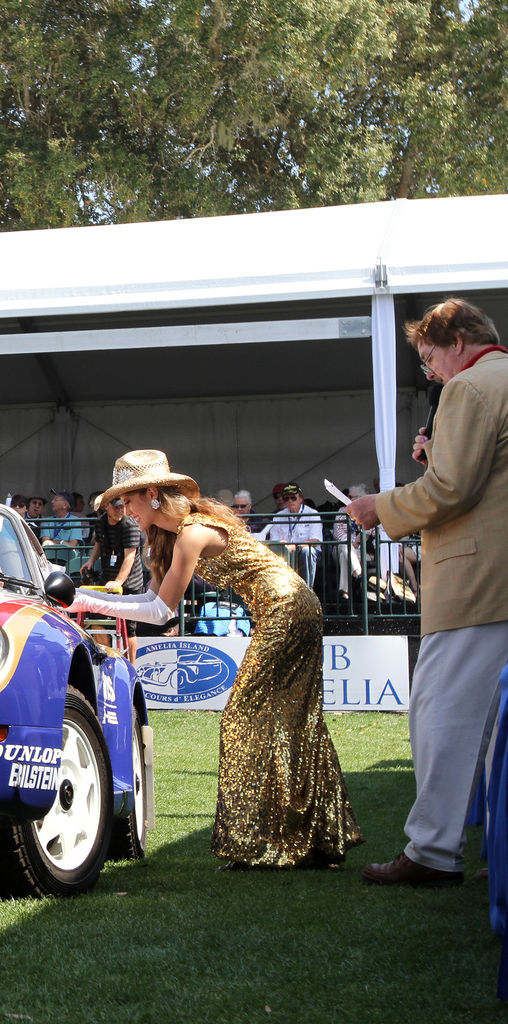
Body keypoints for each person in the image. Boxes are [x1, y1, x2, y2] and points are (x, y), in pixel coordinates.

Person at [65, 450, 362, 869]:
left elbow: (159, 612)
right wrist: (87, 598)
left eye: (127, 501)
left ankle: (267, 843)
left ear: (151, 494)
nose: (124, 510)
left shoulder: (191, 532)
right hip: (286, 607)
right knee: (289, 719)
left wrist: (79, 597)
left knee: (245, 718)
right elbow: (153, 602)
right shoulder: (168, 537)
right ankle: (305, 841)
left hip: (288, 608)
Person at [347, 296, 508, 887]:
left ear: (457, 341)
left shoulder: (470, 389)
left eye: (429, 355)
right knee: (494, 729)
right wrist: (437, 452)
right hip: (497, 578)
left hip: (476, 582)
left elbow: (453, 490)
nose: (431, 370)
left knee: (441, 715)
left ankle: (435, 852)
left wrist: (378, 507)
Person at [78, 496, 145, 660]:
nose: (121, 511)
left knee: (129, 629)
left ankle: (130, 667)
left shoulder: (130, 525)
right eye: (116, 507)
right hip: (107, 578)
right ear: (106, 506)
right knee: (96, 618)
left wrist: (119, 582)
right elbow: (99, 544)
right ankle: (109, 660)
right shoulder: (101, 522)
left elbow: (130, 556)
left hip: (130, 582)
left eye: (122, 507)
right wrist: (90, 562)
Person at [259, 483, 322, 585]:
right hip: (286, 552)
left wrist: (296, 546)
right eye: (286, 499)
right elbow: (274, 541)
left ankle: (307, 590)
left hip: (305, 552)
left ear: (301, 498)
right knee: (276, 554)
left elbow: (315, 541)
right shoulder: (278, 516)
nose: (290, 501)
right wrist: (281, 544)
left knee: (307, 551)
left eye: (293, 498)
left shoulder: (313, 514)